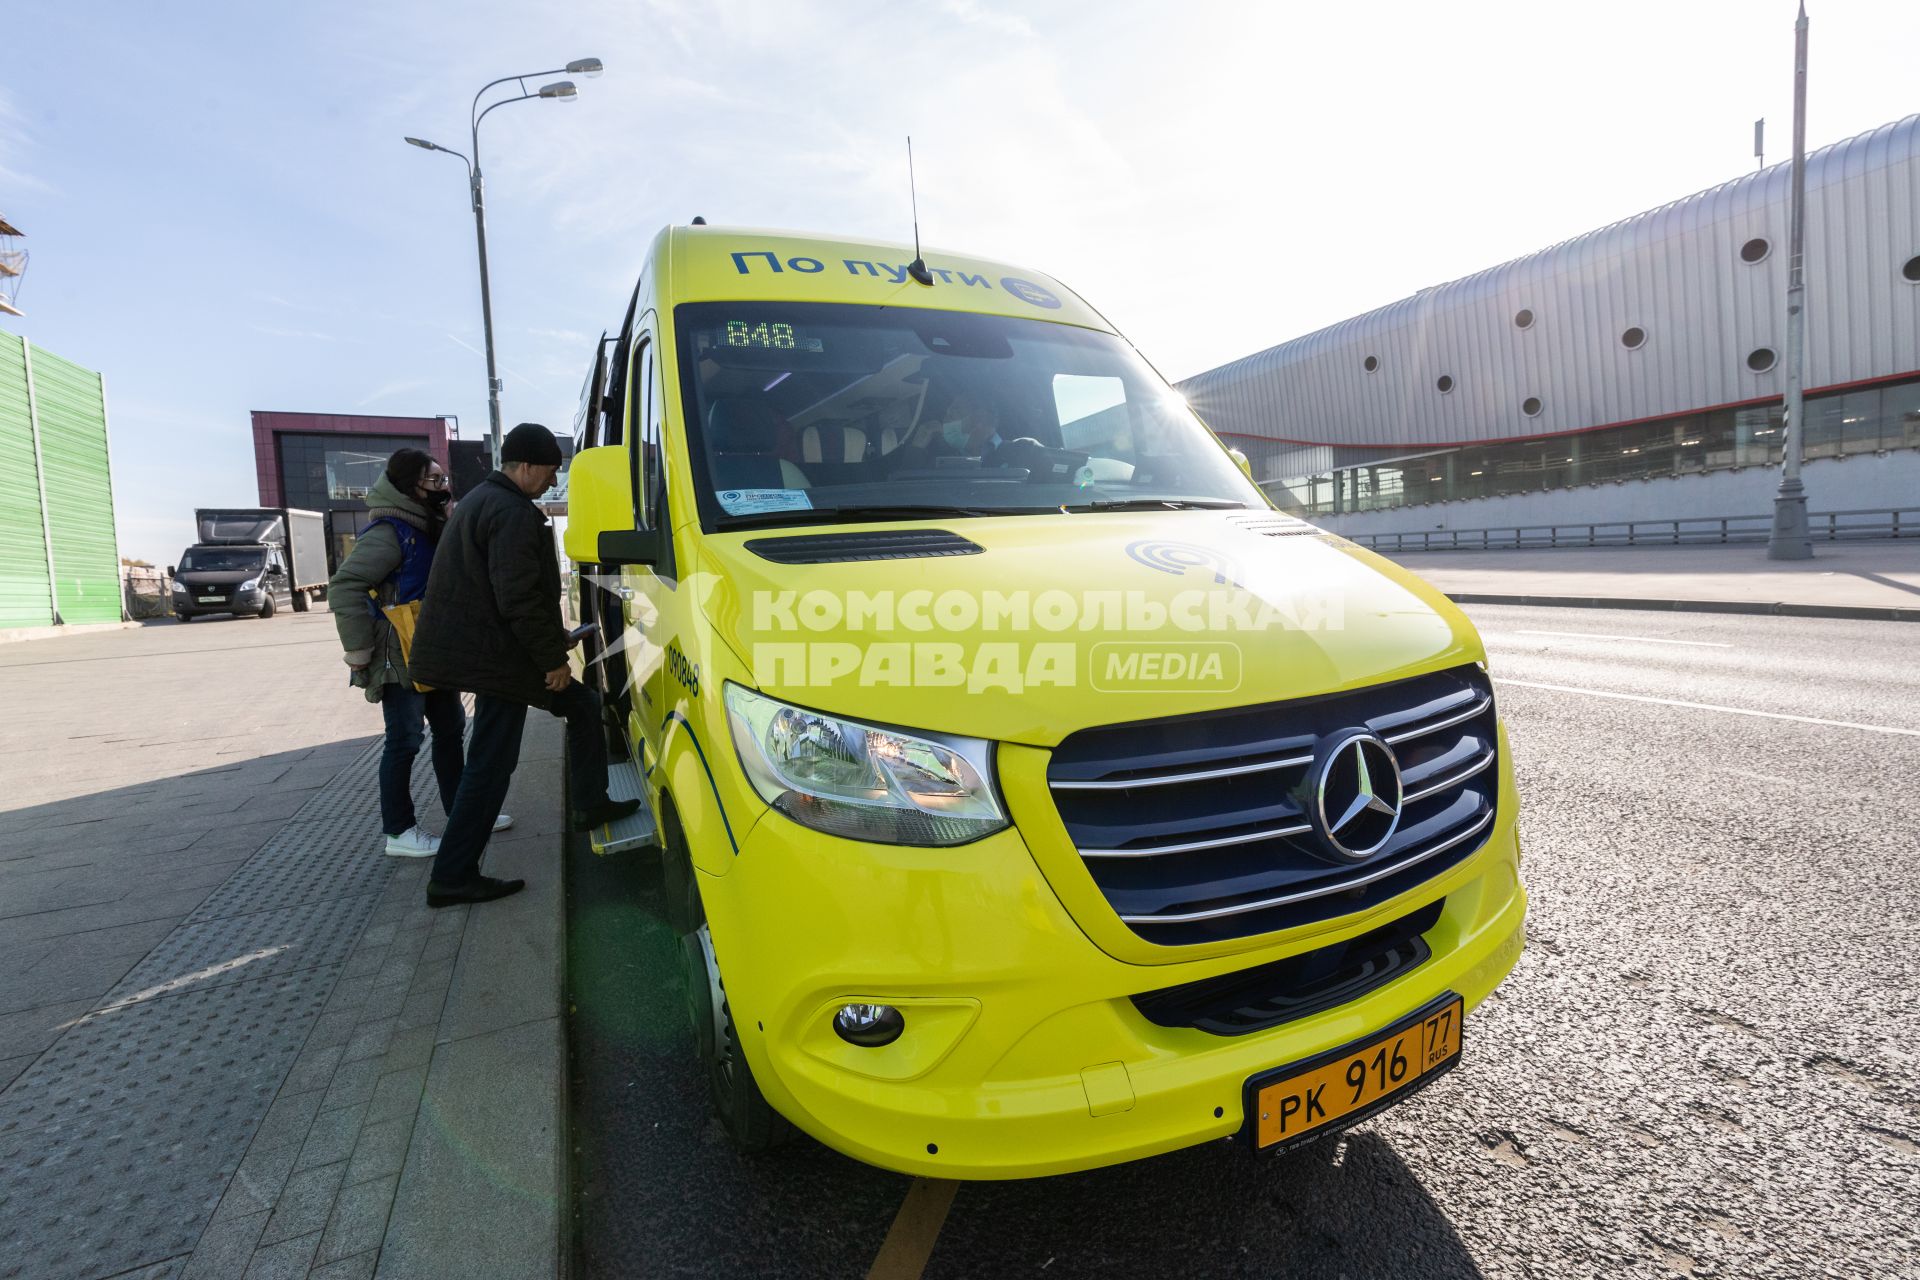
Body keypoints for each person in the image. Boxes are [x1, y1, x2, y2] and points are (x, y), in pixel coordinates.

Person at [408, 423, 640, 908]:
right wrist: (554, 660)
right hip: (496, 660)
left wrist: (556, 640)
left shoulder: (484, 502)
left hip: (490, 651)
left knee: (582, 704)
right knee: (490, 766)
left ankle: (591, 803)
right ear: (529, 466)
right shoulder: (511, 513)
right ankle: (452, 876)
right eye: (552, 472)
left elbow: (506, 596)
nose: (552, 483)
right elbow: (518, 599)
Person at [329, 448, 513, 858]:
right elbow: (345, 586)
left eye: (443, 479)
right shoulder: (389, 532)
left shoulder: (428, 526)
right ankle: (399, 832)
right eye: (433, 480)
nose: (443, 486)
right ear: (408, 485)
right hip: (399, 652)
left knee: (450, 732)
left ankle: (462, 813)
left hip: (433, 648)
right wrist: (359, 650)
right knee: (404, 740)